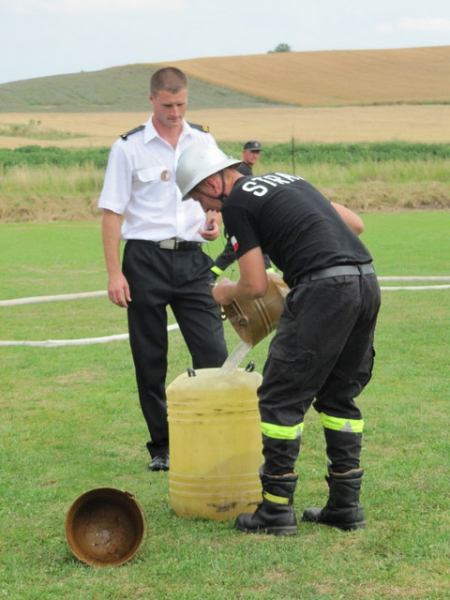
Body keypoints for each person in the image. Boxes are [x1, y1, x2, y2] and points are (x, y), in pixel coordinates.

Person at [176, 144, 381, 535]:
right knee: (339, 395)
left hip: (324, 290)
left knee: (279, 399)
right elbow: (355, 225)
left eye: (200, 198)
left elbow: (253, 285)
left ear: (212, 182)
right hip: (365, 280)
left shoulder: (236, 204)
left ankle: (275, 510)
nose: (206, 210)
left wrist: (224, 292)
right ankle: (345, 505)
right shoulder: (291, 181)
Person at [98, 68, 228, 473]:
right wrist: (114, 273)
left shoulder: (203, 140)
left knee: (214, 354)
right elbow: (111, 213)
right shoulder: (128, 148)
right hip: (144, 261)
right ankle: (163, 447)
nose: (176, 112)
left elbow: (217, 194)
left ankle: (215, 438)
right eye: (168, 105)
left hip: (192, 261)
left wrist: (214, 221)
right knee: (150, 359)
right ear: (152, 100)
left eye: (182, 104)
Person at [210, 140, 272, 279]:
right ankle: (209, 276)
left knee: (255, 249)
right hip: (240, 220)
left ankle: (272, 278)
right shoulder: (242, 171)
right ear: (244, 153)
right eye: (252, 152)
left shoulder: (245, 169)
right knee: (232, 252)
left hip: (242, 220)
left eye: (257, 153)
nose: (255, 156)